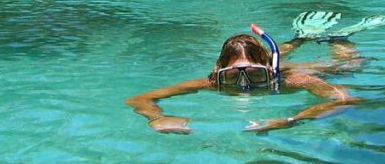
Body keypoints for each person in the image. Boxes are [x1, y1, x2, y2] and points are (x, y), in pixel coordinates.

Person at [125, 26, 363, 134]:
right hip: (268, 61)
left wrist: (292, 119)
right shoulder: (211, 83)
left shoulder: (294, 81)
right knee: (262, 57)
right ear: (218, 70)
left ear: (270, 72)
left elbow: (347, 99)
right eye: (231, 75)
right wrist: (158, 118)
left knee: (348, 66)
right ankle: (298, 39)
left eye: (255, 74)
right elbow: (139, 99)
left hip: (298, 69)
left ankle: (338, 37)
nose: (244, 85)